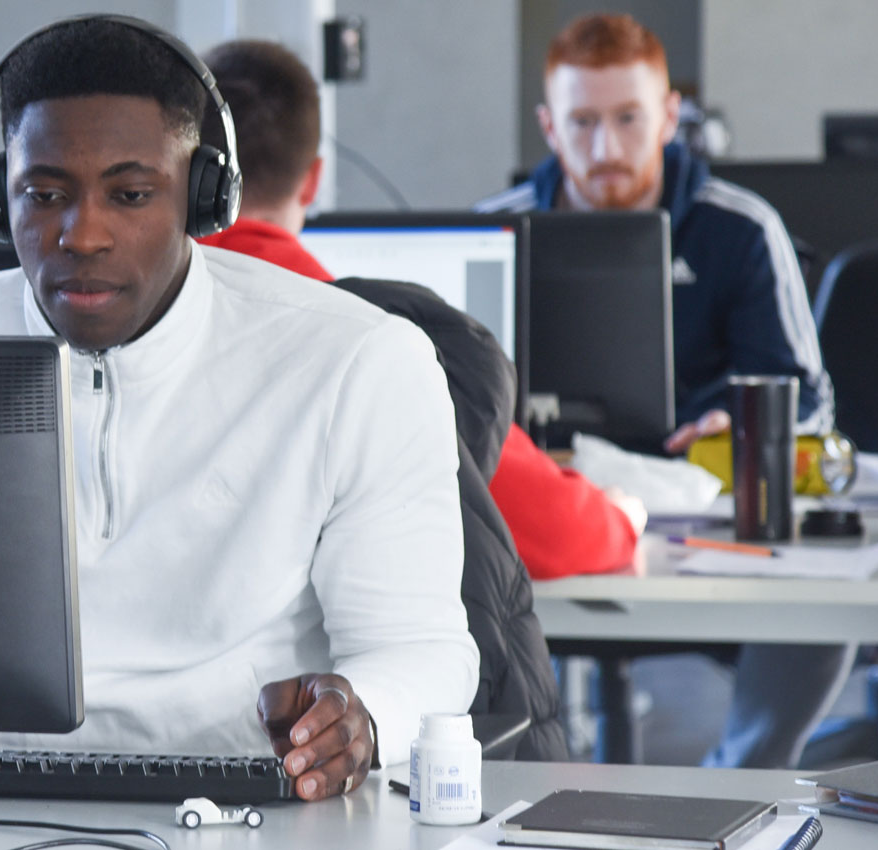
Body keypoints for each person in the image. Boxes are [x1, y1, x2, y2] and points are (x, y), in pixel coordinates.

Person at [0, 16, 477, 800]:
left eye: (129, 194)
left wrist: (363, 716)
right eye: (44, 193)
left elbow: (425, 653)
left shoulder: (355, 362)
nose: (81, 234)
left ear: (201, 195)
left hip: (260, 801)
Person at [476, 13, 848, 769]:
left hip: (703, 517)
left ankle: (737, 788)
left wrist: (739, 421)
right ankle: (531, 803)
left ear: (671, 116)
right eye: (582, 122)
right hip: (552, 517)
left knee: (821, 622)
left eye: (627, 119)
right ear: (549, 126)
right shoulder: (493, 234)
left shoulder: (742, 229)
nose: (606, 148)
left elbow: (809, 401)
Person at [197, 38, 644, 583]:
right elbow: (557, 534)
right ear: (313, 180)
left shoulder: (125, 312)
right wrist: (620, 517)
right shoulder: (356, 335)